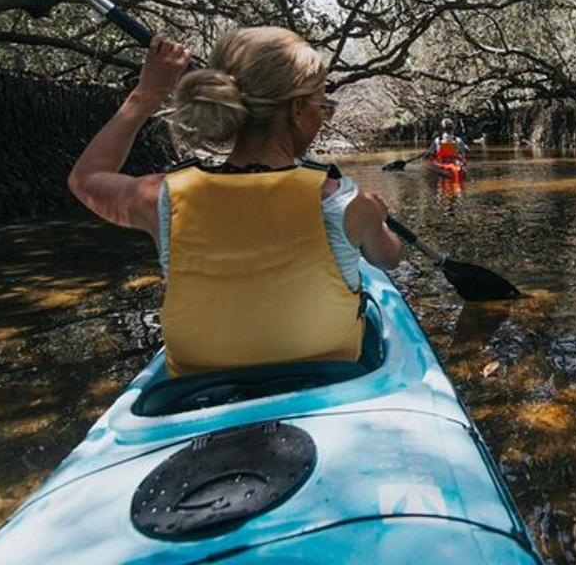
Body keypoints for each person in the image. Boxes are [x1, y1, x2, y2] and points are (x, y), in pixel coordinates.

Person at [67, 28, 403, 377]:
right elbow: (389, 258)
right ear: (298, 110)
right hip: (331, 377)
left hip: (197, 391)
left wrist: (147, 93)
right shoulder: (346, 203)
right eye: (324, 106)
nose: (324, 118)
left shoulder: (163, 198)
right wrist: (375, 218)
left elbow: (85, 179)